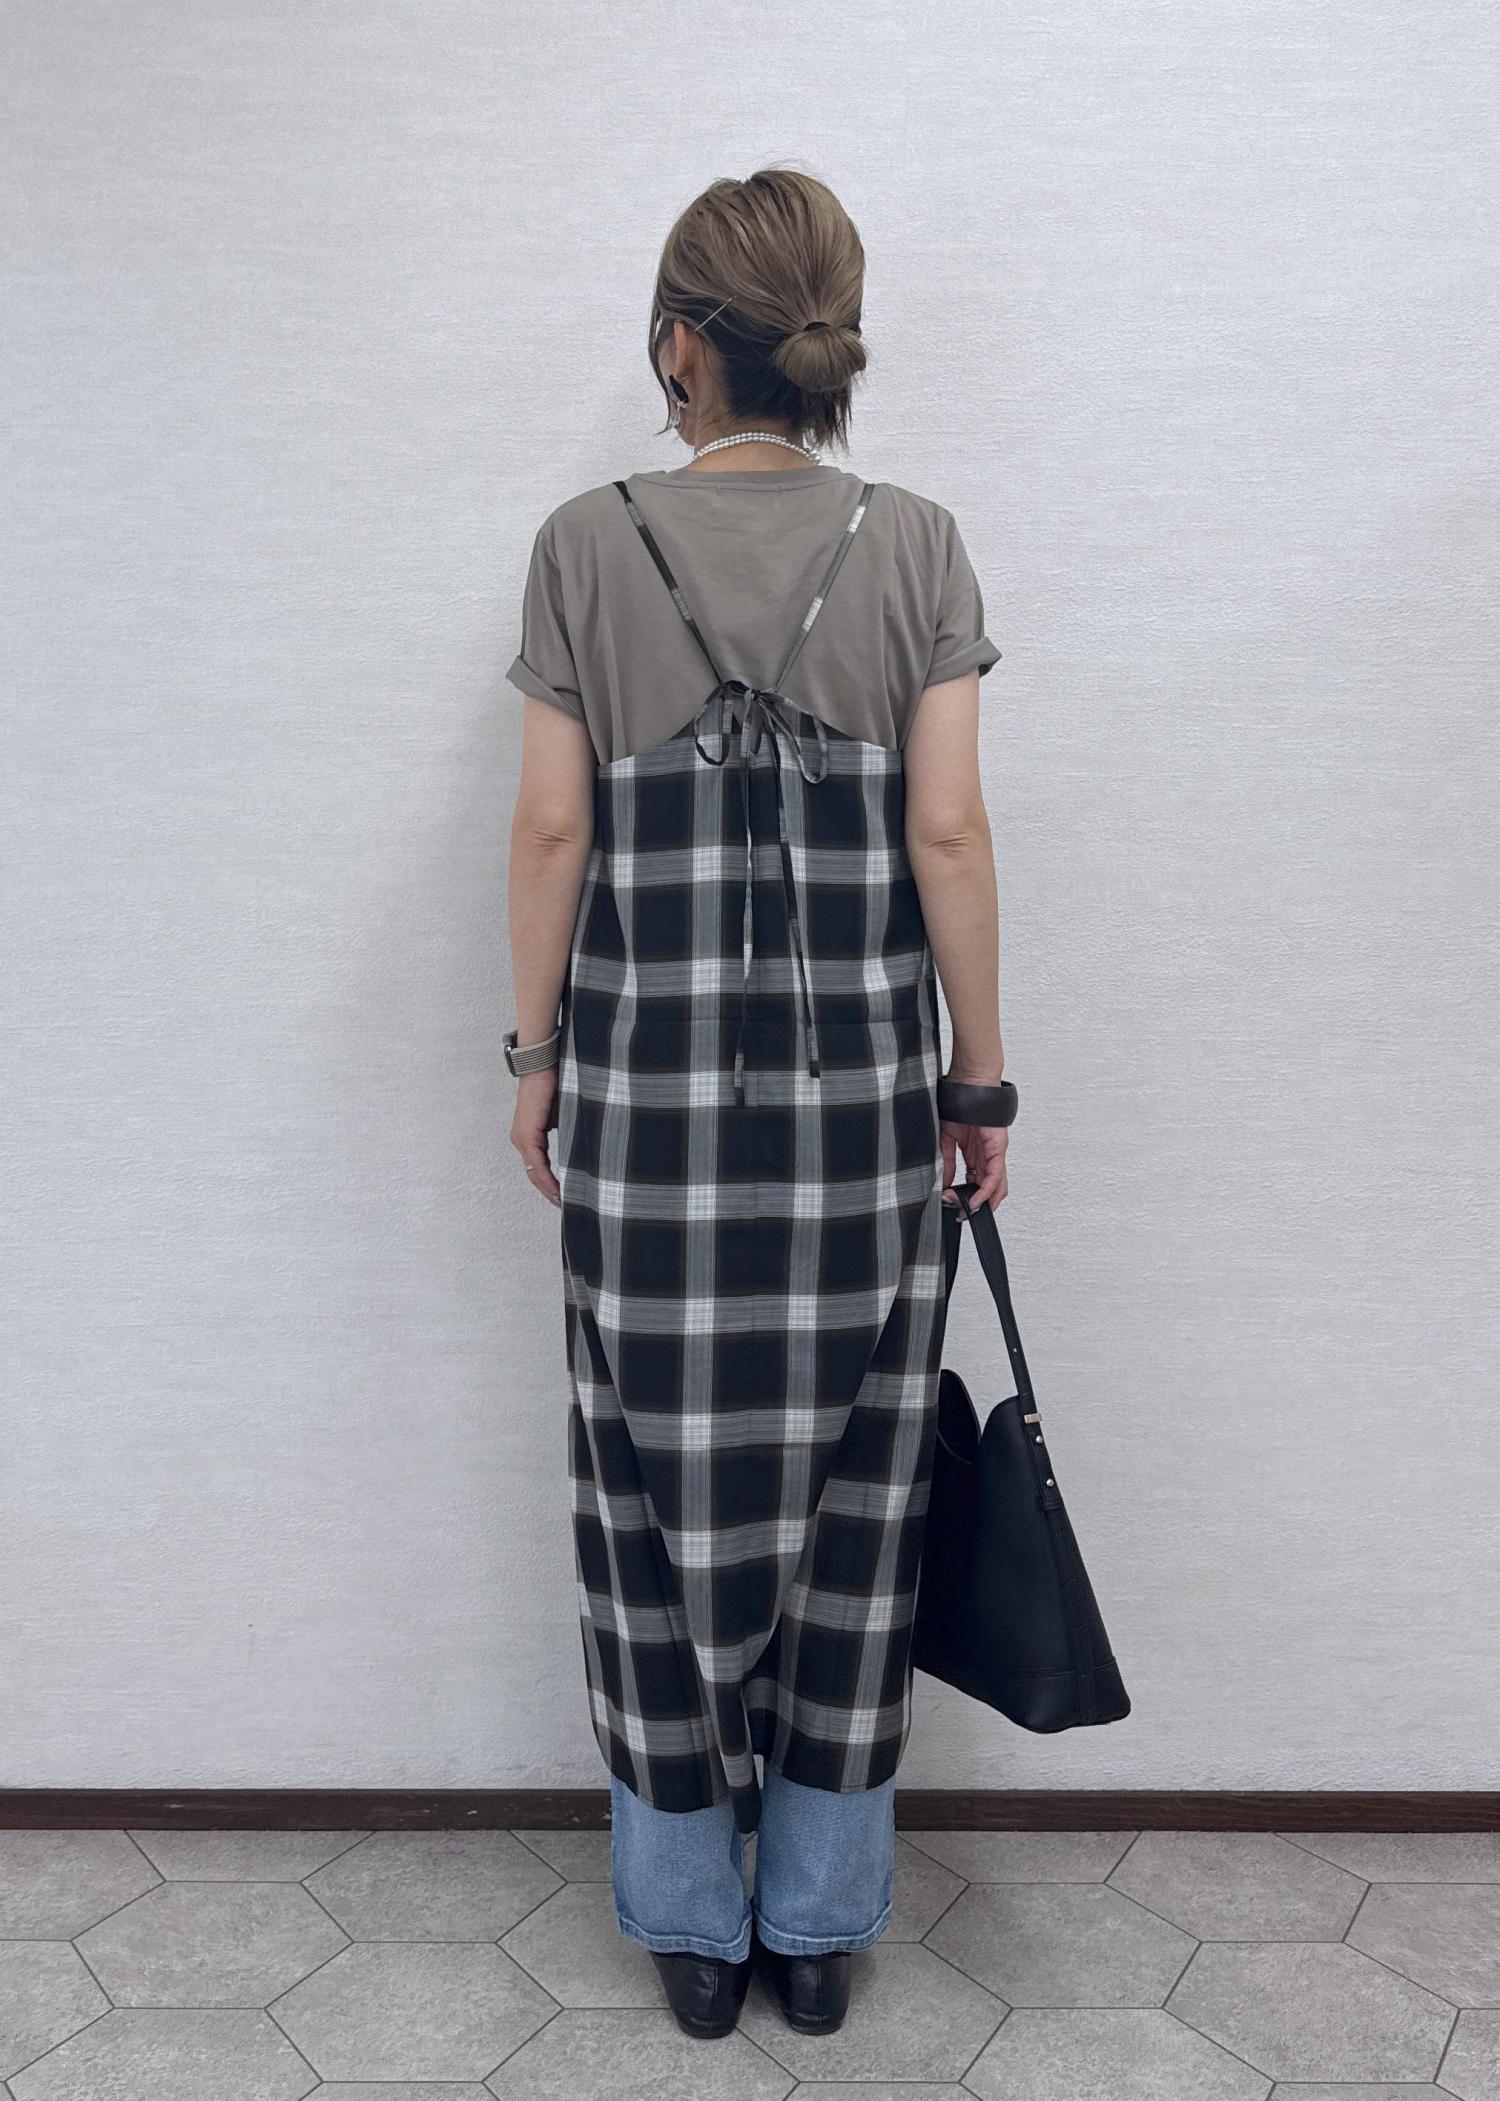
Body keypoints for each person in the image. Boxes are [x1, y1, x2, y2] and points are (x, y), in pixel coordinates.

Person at [502, 166, 1010, 2042]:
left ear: (678, 347)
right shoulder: (918, 543)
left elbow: (550, 830)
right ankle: (817, 1925)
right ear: (825, 348)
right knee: (859, 1515)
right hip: (864, 1131)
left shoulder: (585, 543)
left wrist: (535, 1060)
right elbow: (946, 831)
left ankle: (690, 1930)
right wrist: (979, 1078)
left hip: (647, 1132)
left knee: (646, 1517)